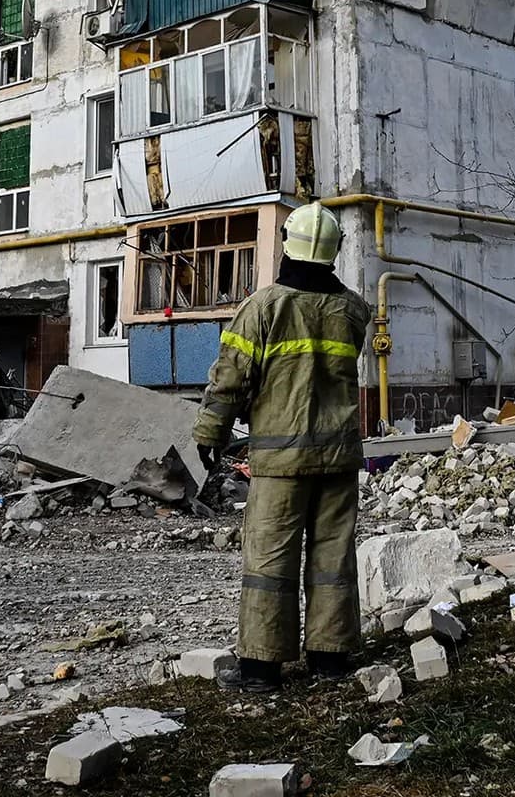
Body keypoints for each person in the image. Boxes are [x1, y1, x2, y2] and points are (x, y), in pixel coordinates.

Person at [194, 203, 372, 691]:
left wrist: (210, 434)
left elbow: (231, 379)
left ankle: (260, 668)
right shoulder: (355, 310)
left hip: (280, 461)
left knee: (270, 558)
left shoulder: (264, 306)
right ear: (334, 250)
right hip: (337, 457)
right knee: (332, 556)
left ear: (288, 245)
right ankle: (331, 659)